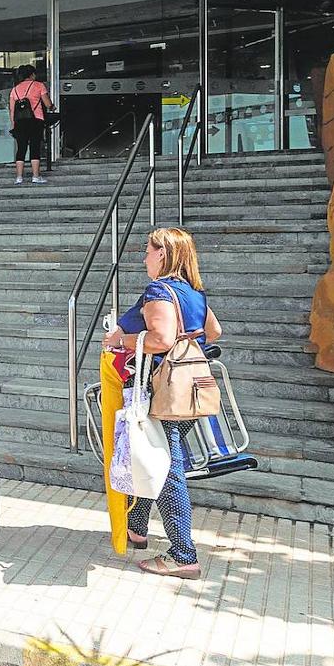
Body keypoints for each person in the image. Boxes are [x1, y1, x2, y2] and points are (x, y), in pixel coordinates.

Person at [101, 227, 222, 580]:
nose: (144, 257)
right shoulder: (193, 292)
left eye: (149, 251)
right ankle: (137, 527)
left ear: (164, 255)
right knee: (156, 457)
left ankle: (183, 555)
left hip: (161, 392)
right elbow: (212, 331)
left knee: (168, 470)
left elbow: (162, 338)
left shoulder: (158, 290)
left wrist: (121, 338)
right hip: (189, 390)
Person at [8, 64, 55, 185]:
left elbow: (12, 110)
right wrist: (52, 107)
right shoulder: (39, 85)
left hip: (19, 122)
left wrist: (13, 125)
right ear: (32, 74)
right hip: (36, 120)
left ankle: (19, 177)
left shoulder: (15, 89)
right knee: (35, 147)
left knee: (21, 148)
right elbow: (47, 103)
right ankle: (35, 176)